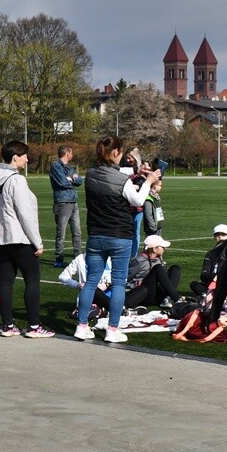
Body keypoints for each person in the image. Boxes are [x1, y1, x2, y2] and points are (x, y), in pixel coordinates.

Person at [74, 135, 161, 343]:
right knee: (119, 282)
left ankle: (82, 325)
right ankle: (112, 329)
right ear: (115, 153)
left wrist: (134, 172)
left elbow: (109, 174)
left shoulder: (91, 174)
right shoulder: (123, 181)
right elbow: (138, 199)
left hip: (95, 234)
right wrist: (148, 181)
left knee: (91, 282)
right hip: (119, 236)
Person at [0, 140, 53, 338]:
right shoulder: (17, 180)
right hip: (20, 238)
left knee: (6, 282)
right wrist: (38, 242)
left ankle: (8, 326)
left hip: (1, 238)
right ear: (15, 157)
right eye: (25, 155)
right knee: (32, 280)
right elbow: (25, 213)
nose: (27, 159)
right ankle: (34, 326)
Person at [126, 235, 183, 309]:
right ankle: (176, 299)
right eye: (162, 247)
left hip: (157, 293)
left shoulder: (159, 258)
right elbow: (126, 278)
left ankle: (168, 299)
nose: (164, 249)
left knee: (175, 268)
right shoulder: (138, 261)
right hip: (144, 294)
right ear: (155, 249)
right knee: (158, 268)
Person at [49, 144, 83, 268]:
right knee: (61, 233)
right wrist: (70, 179)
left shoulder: (70, 167)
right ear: (67, 153)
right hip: (62, 202)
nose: (72, 155)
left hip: (73, 201)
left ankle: (78, 257)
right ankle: (59, 258)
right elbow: (62, 182)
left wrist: (71, 179)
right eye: (71, 152)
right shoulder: (56, 166)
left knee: (77, 232)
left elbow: (79, 181)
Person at [58, 253, 112, 318]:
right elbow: (63, 276)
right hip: (89, 295)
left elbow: (121, 277)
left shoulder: (109, 258)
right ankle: (105, 310)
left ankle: (103, 310)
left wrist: (107, 283)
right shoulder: (80, 259)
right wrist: (77, 285)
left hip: (109, 293)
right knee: (91, 292)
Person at [191, 223, 227, 296]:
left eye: (223, 234)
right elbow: (204, 275)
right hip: (212, 283)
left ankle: (208, 295)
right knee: (194, 284)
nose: (220, 236)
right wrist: (214, 277)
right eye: (217, 234)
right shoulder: (210, 254)